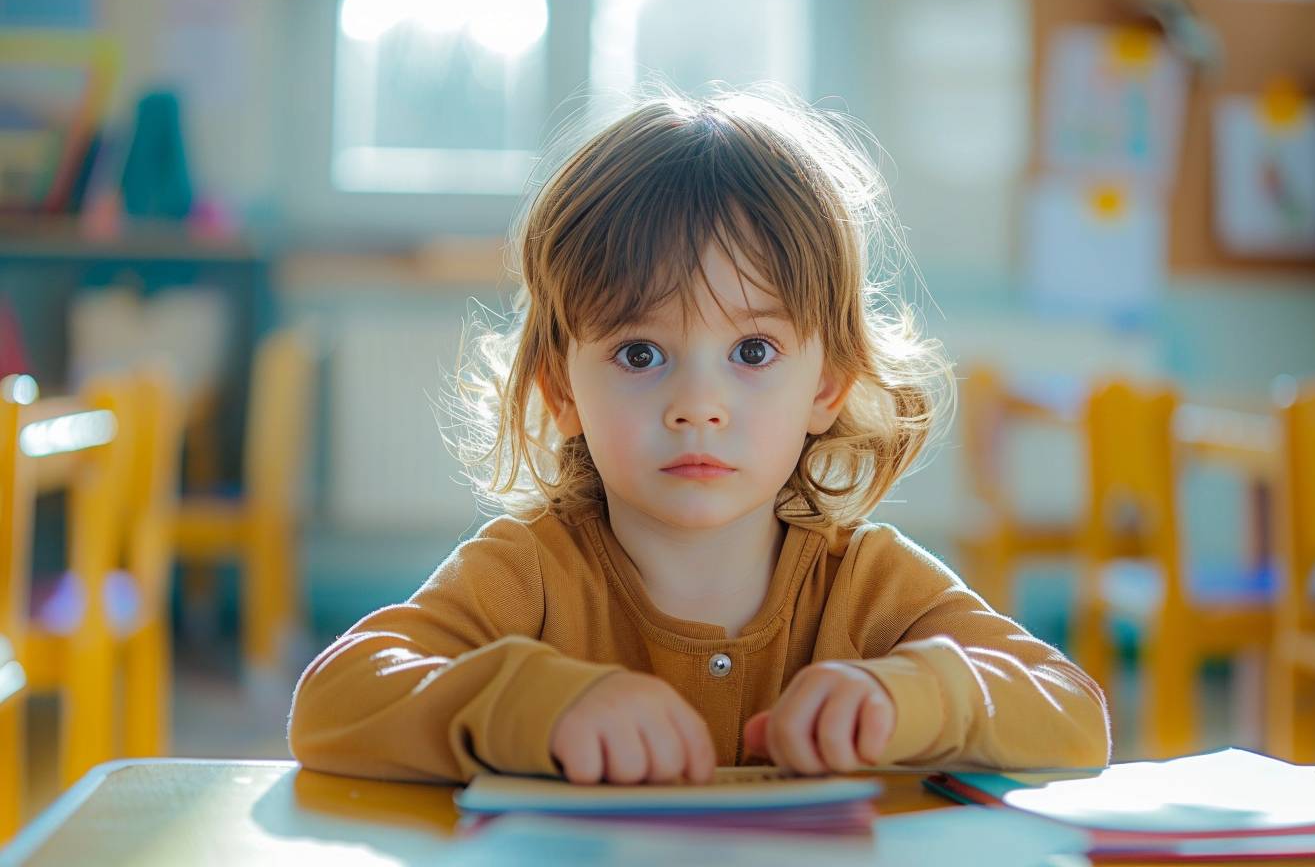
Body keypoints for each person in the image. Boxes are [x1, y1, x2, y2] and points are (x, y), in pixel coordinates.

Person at [288, 83, 1111, 786]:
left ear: (827, 384)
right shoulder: (529, 574)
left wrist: (919, 696)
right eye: (640, 352)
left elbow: (1073, 713)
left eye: (752, 351)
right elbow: (335, 700)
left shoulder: (868, 585)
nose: (697, 405)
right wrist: (533, 702)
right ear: (560, 388)